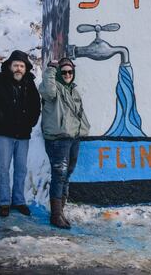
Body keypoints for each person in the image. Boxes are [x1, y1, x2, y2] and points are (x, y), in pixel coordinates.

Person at [0, 50, 41, 217]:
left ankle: (19, 201)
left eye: (21, 66)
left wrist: (31, 123)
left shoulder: (29, 83)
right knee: (4, 168)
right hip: (4, 133)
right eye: (16, 65)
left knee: (21, 169)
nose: (19, 69)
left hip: (23, 135)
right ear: (10, 66)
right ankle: (4, 202)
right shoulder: (0, 80)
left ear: (26, 68)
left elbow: (36, 105)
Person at [39, 58, 90, 229]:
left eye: (70, 72)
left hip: (73, 137)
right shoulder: (52, 88)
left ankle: (61, 211)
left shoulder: (73, 90)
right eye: (64, 72)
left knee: (67, 174)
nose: (68, 75)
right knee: (59, 175)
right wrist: (51, 69)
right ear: (58, 74)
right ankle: (55, 215)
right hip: (57, 138)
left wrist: (84, 129)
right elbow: (49, 91)